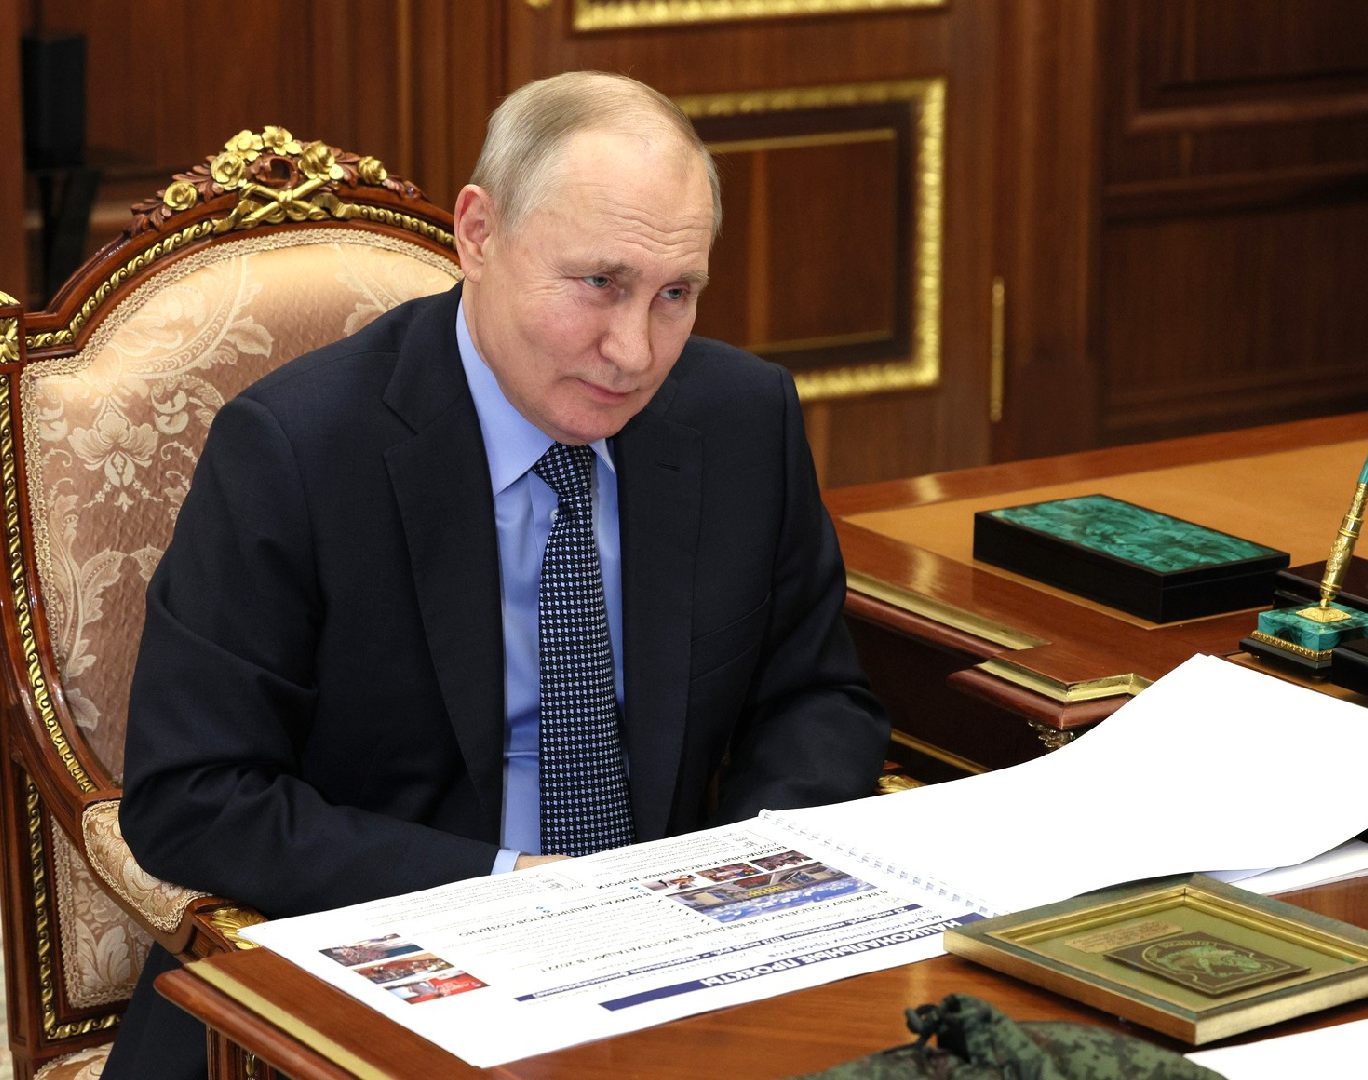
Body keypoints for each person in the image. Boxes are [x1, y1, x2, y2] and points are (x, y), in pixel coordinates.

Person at [101, 71, 889, 1079]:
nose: (633, 351)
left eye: (675, 295)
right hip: (378, 972)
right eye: (598, 283)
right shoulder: (296, 449)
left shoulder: (741, 418)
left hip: (672, 973)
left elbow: (816, 700)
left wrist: (719, 884)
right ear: (478, 234)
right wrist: (514, 890)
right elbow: (195, 795)